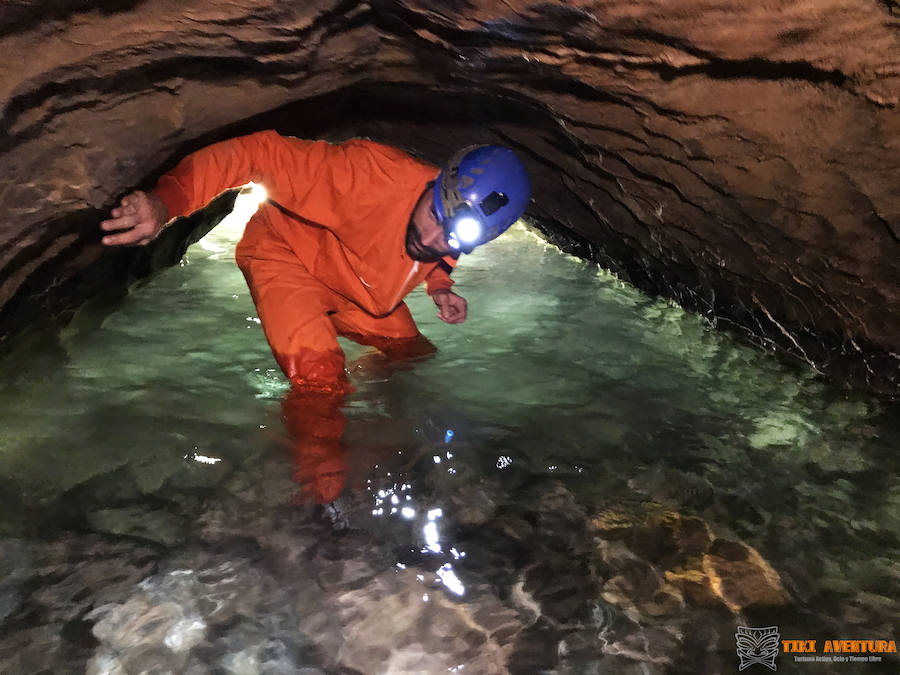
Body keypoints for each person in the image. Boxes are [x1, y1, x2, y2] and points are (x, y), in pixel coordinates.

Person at [101, 130, 530, 502]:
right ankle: (317, 493)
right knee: (320, 385)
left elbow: (438, 251)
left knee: (412, 354)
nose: (433, 237)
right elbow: (258, 154)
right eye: (436, 215)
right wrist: (167, 200)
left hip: (355, 286)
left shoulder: (450, 228)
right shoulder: (365, 176)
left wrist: (439, 286)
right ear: (438, 181)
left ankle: (362, 426)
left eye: (454, 235)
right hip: (285, 258)